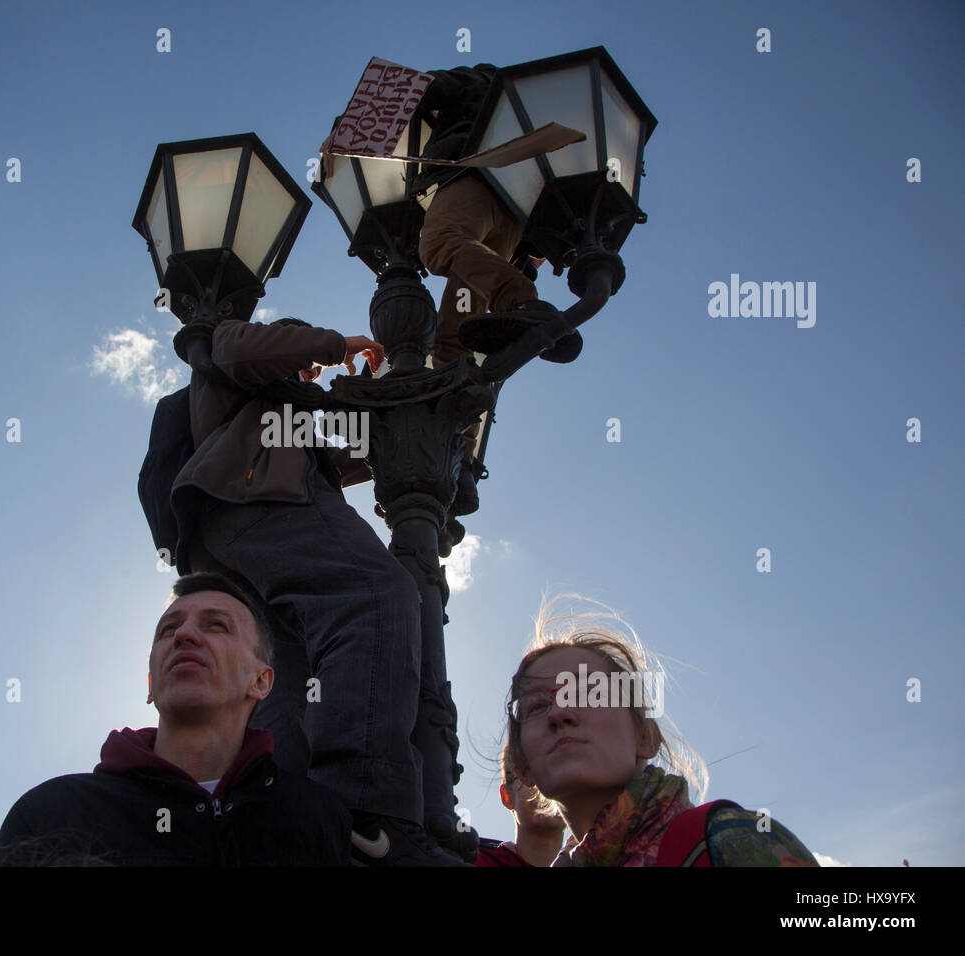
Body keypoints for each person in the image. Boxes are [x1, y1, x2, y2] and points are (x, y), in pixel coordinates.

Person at [172, 316, 461, 865]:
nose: (302, 367)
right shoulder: (227, 351)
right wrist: (335, 346)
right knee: (374, 596)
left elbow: (326, 460)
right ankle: (364, 813)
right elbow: (237, 347)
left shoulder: (269, 413)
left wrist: (376, 431)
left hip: (229, 536)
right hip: (261, 503)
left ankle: (292, 830)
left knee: (290, 673)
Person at [0, 572, 350, 866]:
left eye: (216, 626)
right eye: (167, 630)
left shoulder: (317, 815)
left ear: (260, 681)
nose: (183, 635)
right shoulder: (53, 811)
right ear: (150, 686)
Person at [503, 595, 818, 866]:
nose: (559, 712)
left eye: (590, 693)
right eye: (536, 707)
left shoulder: (729, 841)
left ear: (645, 737)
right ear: (523, 767)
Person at [412, 63, 583, 515]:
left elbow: (428, 87)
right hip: (511, 210)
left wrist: (355, 127)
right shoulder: (522, 115)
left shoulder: (476, 82)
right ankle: (461, 459)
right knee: (454, 344)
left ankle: (522, 301)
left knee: (438, 245)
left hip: (470, 178)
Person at [475, 739, 567, 867]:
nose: (544, 787)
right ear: (507, 796)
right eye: (530, 773)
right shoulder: (473, 860)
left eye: (559, 774)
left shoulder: (597, 858)